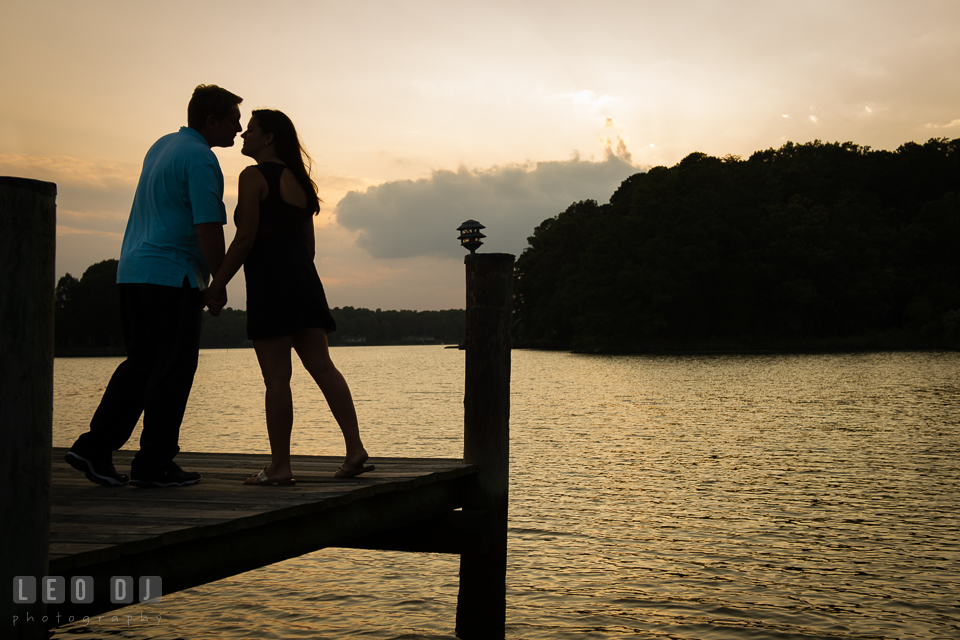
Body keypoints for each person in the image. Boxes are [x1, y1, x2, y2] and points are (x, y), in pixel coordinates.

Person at [65, 84, 242, 488]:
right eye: (232, 119)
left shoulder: (162, 146)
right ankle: (154, 463)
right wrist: (219, 280)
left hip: (133, 271)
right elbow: (208, 226)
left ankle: (94, 447)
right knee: (174, 370)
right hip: (171, 275)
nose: (238, 127)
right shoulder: (201, 159)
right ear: (211, 121)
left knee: (143, 364)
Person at [205, 108, 373, 485]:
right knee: (324, 367)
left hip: (270, 285)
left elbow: (245, 237)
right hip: (304, 282)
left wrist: (217, 283)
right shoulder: (301, 182)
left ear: (269, 138)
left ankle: (280, 466)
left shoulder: (252, 177)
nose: (244, 136)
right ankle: (355, 447)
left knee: (277, 377)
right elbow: (308, 249)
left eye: (250, 130)